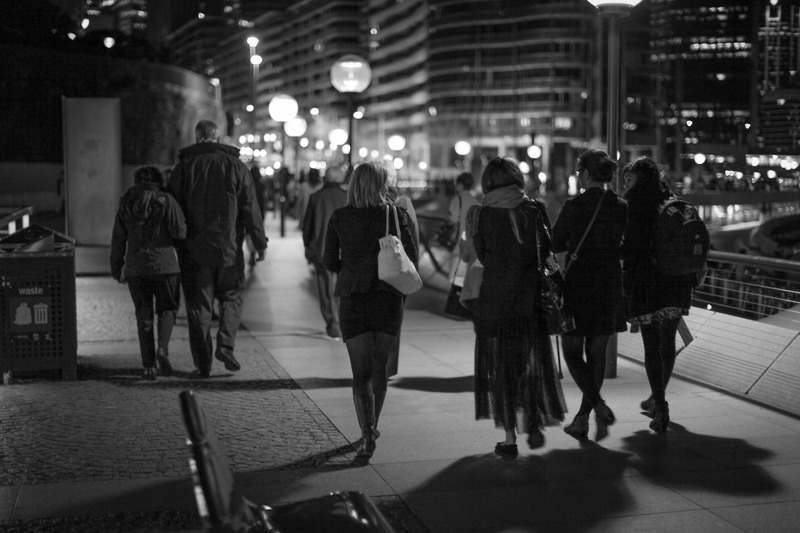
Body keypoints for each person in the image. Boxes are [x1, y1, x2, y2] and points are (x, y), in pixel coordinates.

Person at [467, 157, 566, 458]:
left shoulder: (479, 214)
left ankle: (510, 438)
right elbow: (546, 250)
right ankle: (533, 419)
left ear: (488, 182)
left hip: (495, 301)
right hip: (529, 298)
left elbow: (482, 256)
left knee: (502, 368)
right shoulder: (535, 210)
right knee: (530, 363)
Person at [323, 161, 417, 460]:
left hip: (354, 298)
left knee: (360, 373)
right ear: (381, 185)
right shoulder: (395, 214)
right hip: (388, 298)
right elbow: (412, 256)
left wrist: (352, 266)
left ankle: (367, 433)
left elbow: (329, 261)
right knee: (380, 369)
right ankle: (374, 426)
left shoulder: (340, 217)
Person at [168, 120, 268, 378]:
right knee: (231, 297)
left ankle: (203, 364)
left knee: (198, 307)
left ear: (197, 137)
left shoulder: (184, 167)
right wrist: (259, 242)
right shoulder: (236, 166)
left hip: (193, 250)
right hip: (229, 248)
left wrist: (175, 241)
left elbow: (173, 209)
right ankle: (225, 345)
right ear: (218, 137)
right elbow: (250, 207)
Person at [551, 149, 628, 442]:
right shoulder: (620, 206)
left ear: (585, 174)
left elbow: (555, 242)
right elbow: (626, 244)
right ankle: (583, 417)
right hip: (610, 284)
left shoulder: (575, 205)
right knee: (597, 353)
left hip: (580, 285)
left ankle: (596, 406)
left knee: (572, 350)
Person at [622, 157, 695, 433]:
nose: (626, 185)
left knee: (651, 347)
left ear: (639, 180)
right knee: (668, 343)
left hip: (648, 285)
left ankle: (660, 406)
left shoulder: (635, 206)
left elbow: (630, 248)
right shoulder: (672, 201)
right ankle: (657, 397)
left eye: (629, 180)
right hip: (678, 283)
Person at [110, 166, 186, 380]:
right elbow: (180, 232)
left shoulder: (127, 202)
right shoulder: (167, 200)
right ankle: (162, 349)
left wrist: (117, 267)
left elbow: (118, 238)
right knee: (167, 310)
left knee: (143, 314)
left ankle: (149, 365)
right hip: (165, 265)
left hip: (136, 267)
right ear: (158, 180)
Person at [302, 164, 348, 339]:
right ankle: (343, 322)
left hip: (321, 249)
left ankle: (332, 324)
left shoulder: (316, 198)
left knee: (325, 288)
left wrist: (308, 247)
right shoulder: (347, 197)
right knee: (343, 288)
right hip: (345, 250)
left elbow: (307, 227)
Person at [385, 171, 419, 377]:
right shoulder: (403, 204)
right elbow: (413, 236)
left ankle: (381, 367)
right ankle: (388, 368)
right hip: (400, 269)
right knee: (395, 320)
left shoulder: (385, 206)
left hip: (383, 268)